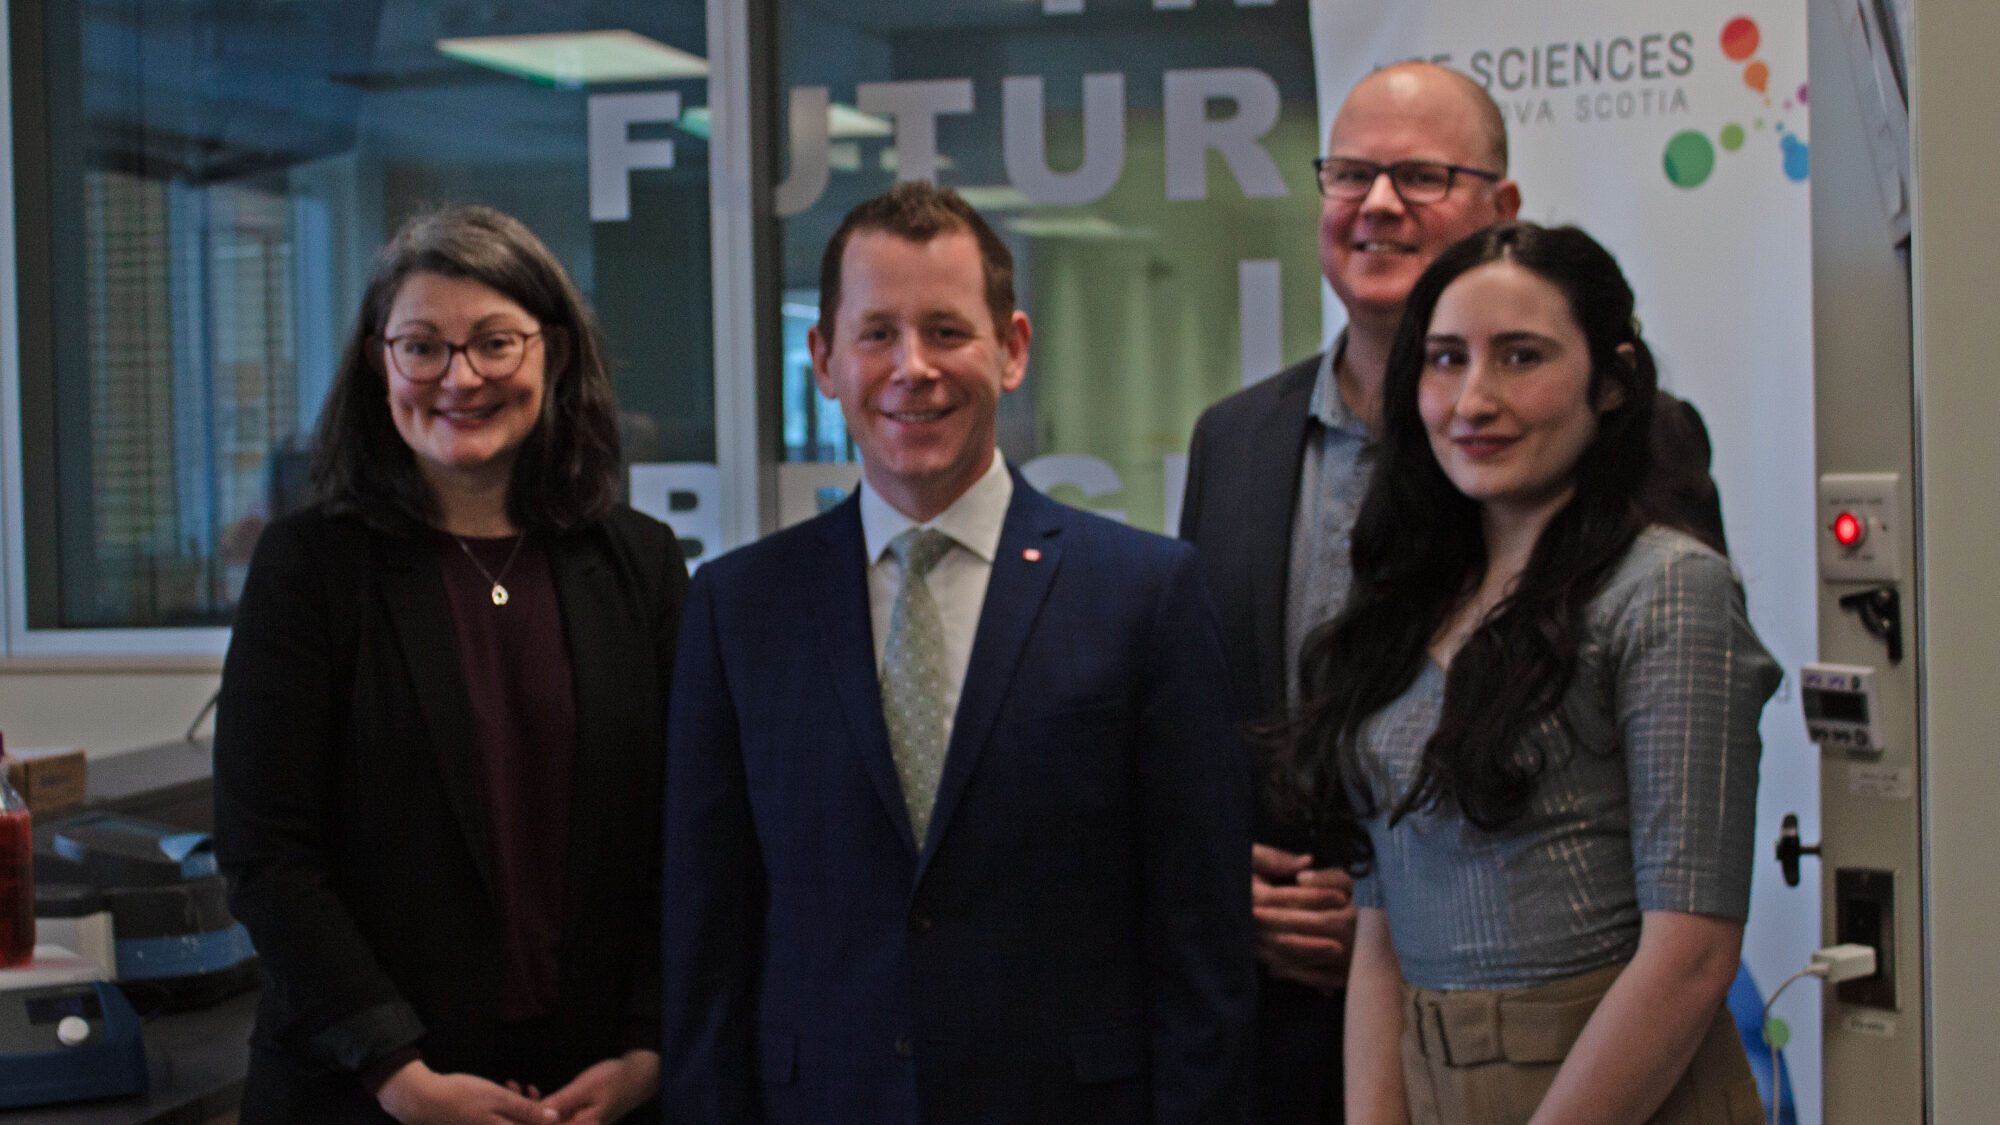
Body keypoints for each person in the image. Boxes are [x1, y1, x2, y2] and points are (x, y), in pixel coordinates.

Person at [1176, 62, 1726, 1123]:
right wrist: (1227, 894)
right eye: (1348, 175)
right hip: (1296, 1030)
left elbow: (1655, 780)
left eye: (1420, 176)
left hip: (1570, 1040)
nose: (1376, 206)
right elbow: (1207, 724)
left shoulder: (1635, 461)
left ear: (1499, 208)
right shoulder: (1232, 441)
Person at [661, 181, 1255, 1124]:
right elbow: (707, 942)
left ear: (1012, 349)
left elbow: (1204, 947)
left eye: (946, 330)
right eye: (876, 334)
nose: (913, 368)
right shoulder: (738, 609)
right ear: (822, 359)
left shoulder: (1145, 595)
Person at [1274, 221, 1779, 1125]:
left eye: (1521, 357)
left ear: (1612, 382)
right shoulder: (1404, 599)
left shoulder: (1667, 589)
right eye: (1444, 359)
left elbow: (1692, 951)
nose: (1474, 398)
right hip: (1430, 1080)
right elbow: (1380, 924)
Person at [214, 205, 686, 1125]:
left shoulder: (642, 563)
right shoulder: (309, 569)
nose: (459, 377)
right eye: (422, 346)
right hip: (365, 1092)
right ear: (378, 365)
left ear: (553, 352)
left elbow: (689, 834)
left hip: (599, 1092)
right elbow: (268, 852)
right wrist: (398, 1072)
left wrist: (649, 1044)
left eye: (494, 343)